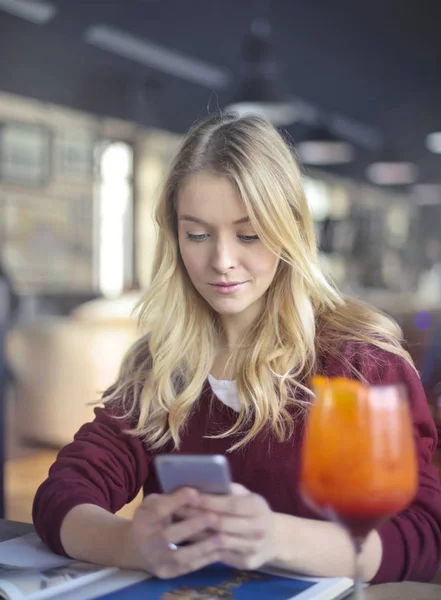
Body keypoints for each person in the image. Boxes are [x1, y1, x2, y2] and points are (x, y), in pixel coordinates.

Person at [33, 113, 441, 584]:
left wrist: (275, 538)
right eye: (198, 235)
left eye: (249, 235)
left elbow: (423, 536)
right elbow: (63, 493)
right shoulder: (162, 365)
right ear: (175, 237)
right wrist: (129, 544)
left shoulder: (362, 363)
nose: (222, 262)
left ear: (289, 231)